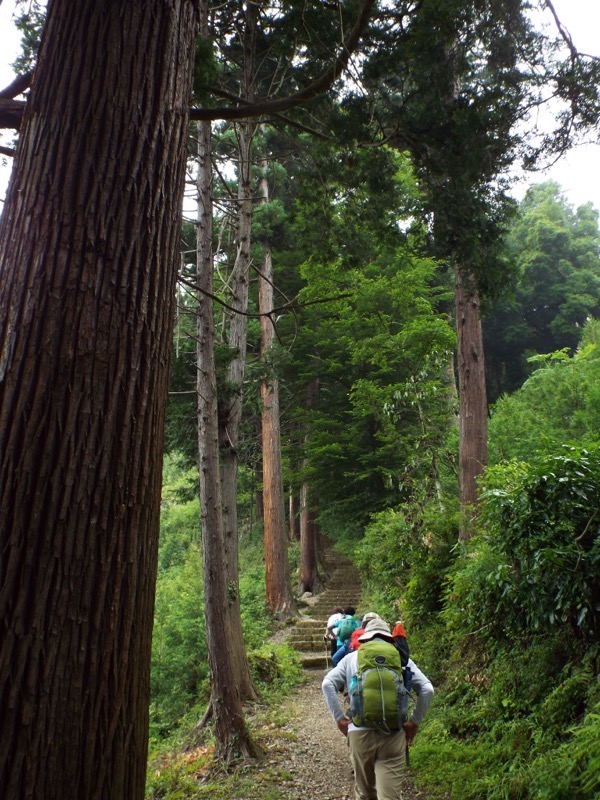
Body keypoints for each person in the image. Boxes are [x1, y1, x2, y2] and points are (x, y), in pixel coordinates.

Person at [322, 618, 434, 800]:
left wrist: (340, 719)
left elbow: (327, 684)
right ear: (389, 640)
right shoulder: (401, 659)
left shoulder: (352, 658)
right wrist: (414, 722)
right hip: (393, 735)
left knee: (365, 794)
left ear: (364, 639)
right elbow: (427, 690)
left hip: (360, 734)